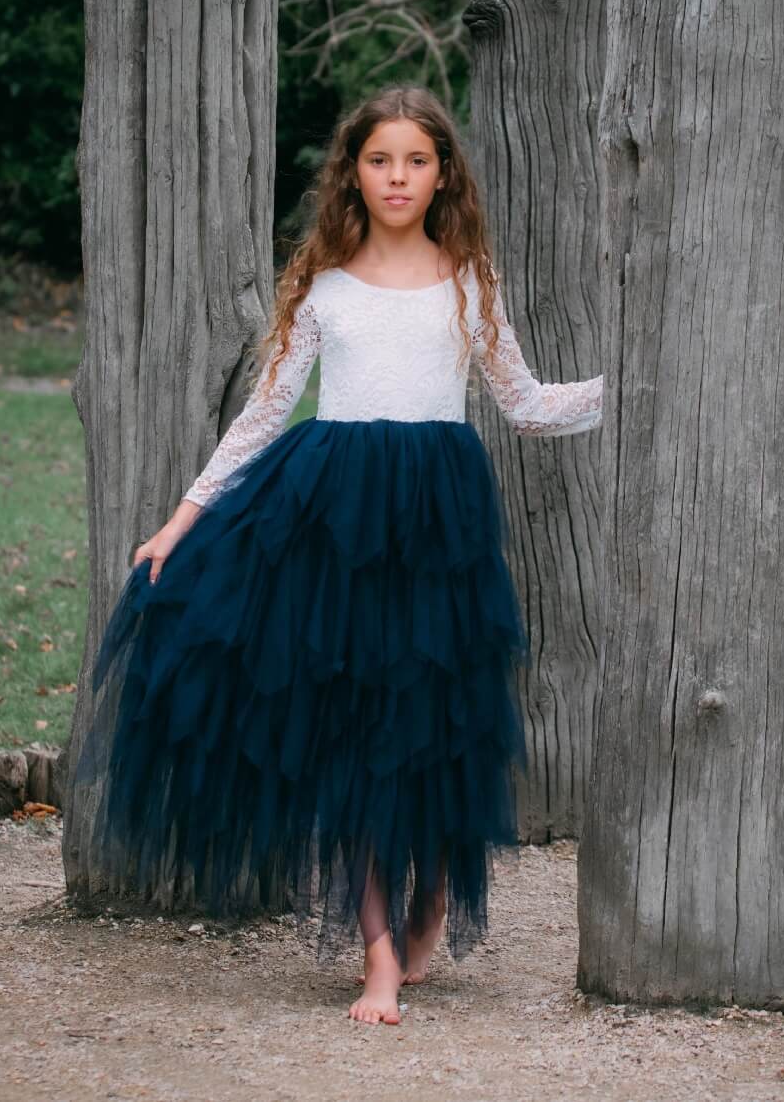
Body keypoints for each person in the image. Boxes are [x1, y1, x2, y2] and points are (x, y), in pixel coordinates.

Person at [75, 84, 602, 1026]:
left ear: (443, 175)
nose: (397, 176)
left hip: (440, 521)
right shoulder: (321, 284)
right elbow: (264, 414)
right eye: (379, 159)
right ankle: (376, 957)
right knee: (353, 733)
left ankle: (433, 900)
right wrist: (182, 520)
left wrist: (631, 385)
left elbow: (523, 404)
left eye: (416, 160)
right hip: (337, 520)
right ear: (352, 173)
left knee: (438, 719)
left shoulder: (471, 279)